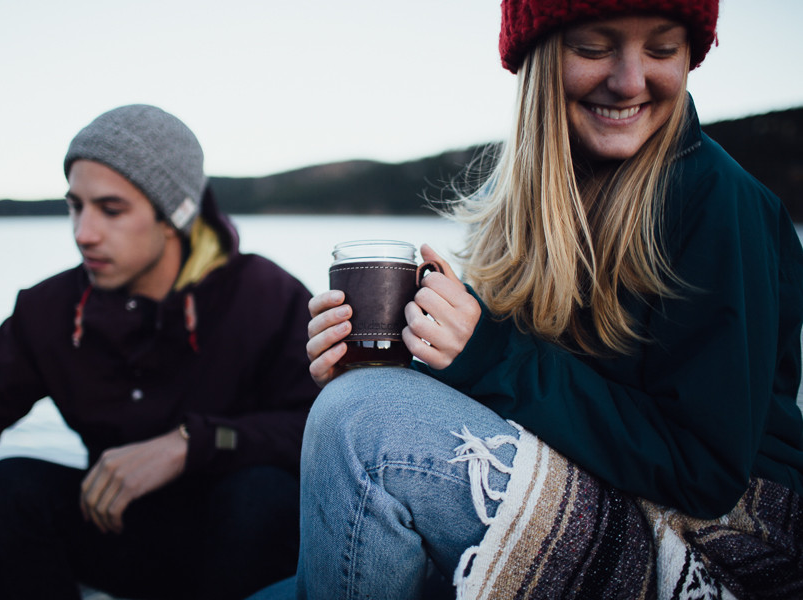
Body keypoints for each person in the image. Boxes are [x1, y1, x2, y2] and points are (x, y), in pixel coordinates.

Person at [254, 0, 803, 598]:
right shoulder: (521, 200)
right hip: (592, 484)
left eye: (662, 50)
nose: (628, 80)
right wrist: (408, 357)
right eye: (594, 48)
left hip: (726, 541)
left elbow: (703, 470)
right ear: (537, 63)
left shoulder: (719, 202)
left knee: (362, 421)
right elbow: (523, 392)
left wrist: (484, 355)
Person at [0, 104, 320, 599]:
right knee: (2, 491)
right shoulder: (50, 310)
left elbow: (317, 430)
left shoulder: (265, 295)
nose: (84, 233)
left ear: (175, 216)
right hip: (120, 531)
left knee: (262, 494)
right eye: (75, 206)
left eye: (111, 209)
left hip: (241, 544)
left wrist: (190, 444)